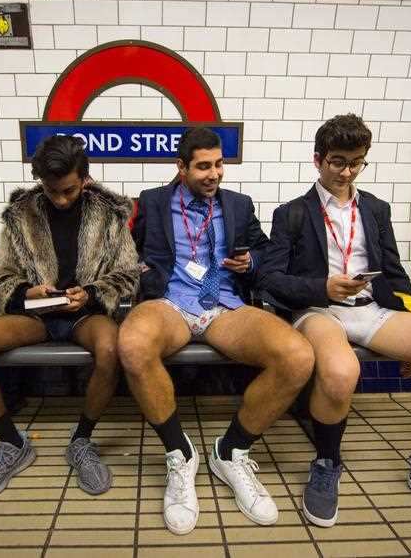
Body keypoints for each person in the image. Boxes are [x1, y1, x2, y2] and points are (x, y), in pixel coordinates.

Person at [258, 114, 411, 533]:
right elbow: (269, 279)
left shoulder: (376, 209)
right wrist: (322, 287)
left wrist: (410, 329)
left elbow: (393, 273)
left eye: (357, 162)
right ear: (318, 160)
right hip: (318, 311)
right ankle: (327, 463)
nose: (347, 172)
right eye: (337, 162)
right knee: (342, 372)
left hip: (371, 309)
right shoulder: (292, 214)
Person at [118, 127, 314, 535]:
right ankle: (180, 453)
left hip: (224, 306)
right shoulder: (152, 202)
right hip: (171, 302)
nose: (214, 174)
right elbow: (125, 249)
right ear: (182, 167)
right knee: (133, 345)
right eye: (203, 166)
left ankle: (230, 450)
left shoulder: (239, 205)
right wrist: (137, 268)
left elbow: (264, 250)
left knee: (297, 356)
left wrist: (251, 261)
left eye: (219, 164)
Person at [0, 135, 139, 503]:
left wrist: (91, 293)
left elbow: (128, 273)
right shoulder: (21, 214)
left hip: (85, 314)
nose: (61, 199)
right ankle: (12, 444)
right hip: (35, 315)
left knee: (111, 349)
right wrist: (26, 292)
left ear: (84, 179)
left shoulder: (110, 214)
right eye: (52, 191)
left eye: (69, 190)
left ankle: (81, 440)